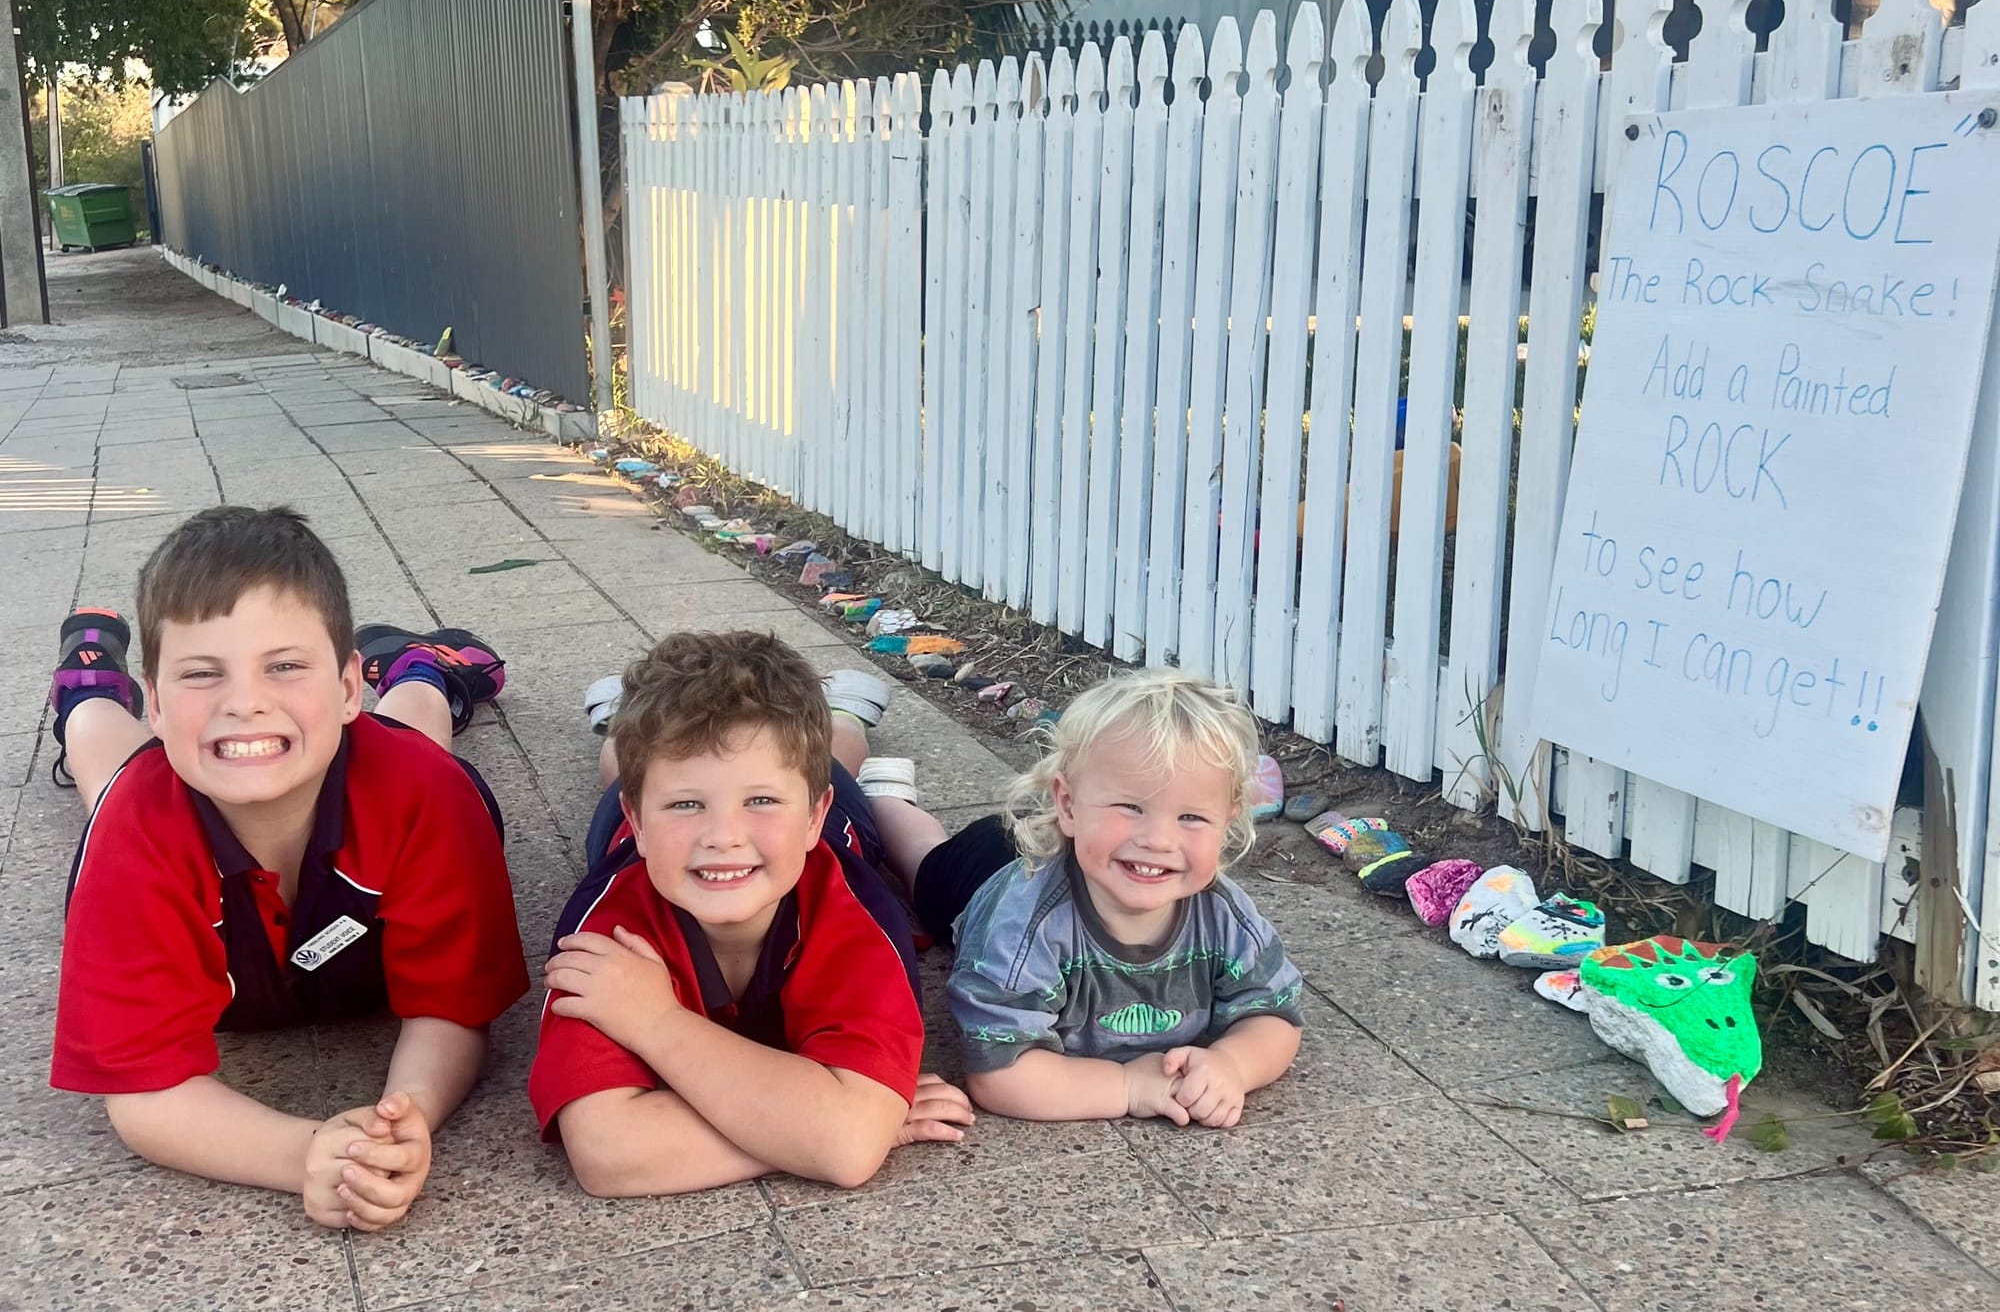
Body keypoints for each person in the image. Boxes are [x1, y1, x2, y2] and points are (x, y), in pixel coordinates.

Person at [46, 505, 528, 1231]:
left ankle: (421, 670)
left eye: (284, 665)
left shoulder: (423, 794)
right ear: (158, 695)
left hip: (388, 760)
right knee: (104, 762)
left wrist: (404, 1121)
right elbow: (143, 1091)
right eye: (202, 672)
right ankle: (89, 681)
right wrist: (305, 1155)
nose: (243, 701)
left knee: (413, 734)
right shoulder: (137, 833)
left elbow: (453, 1011)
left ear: (343, 686)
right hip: (156, 779)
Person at [529, 632, 973, 1196]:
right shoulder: (606, 930)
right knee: (626, 766)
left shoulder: (854, 911)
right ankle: (619, 724)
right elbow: (609, 1154)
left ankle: (847, 714)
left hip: (835, 821)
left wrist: (655, 1023)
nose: (723, 837)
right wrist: (821, 1125)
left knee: (834, 757)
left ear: (812, 818)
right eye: (686, 805)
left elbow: (848, 1145)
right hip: (623, 839)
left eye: (760, 801)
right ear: (640, 823)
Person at [873, 668, 1305, 1127]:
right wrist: (1128, 1086)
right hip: (985, 867)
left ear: (1228, 822)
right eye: (1130, 806)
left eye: (1192, 816)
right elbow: (1000, 1073)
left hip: (1085, 851)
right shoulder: (1021, 928)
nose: (1158, 839)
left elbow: (1275, 1015)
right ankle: (886, 801)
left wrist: (1233, 1064)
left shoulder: (1225, 914)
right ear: (1067, 805)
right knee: (922, 867)